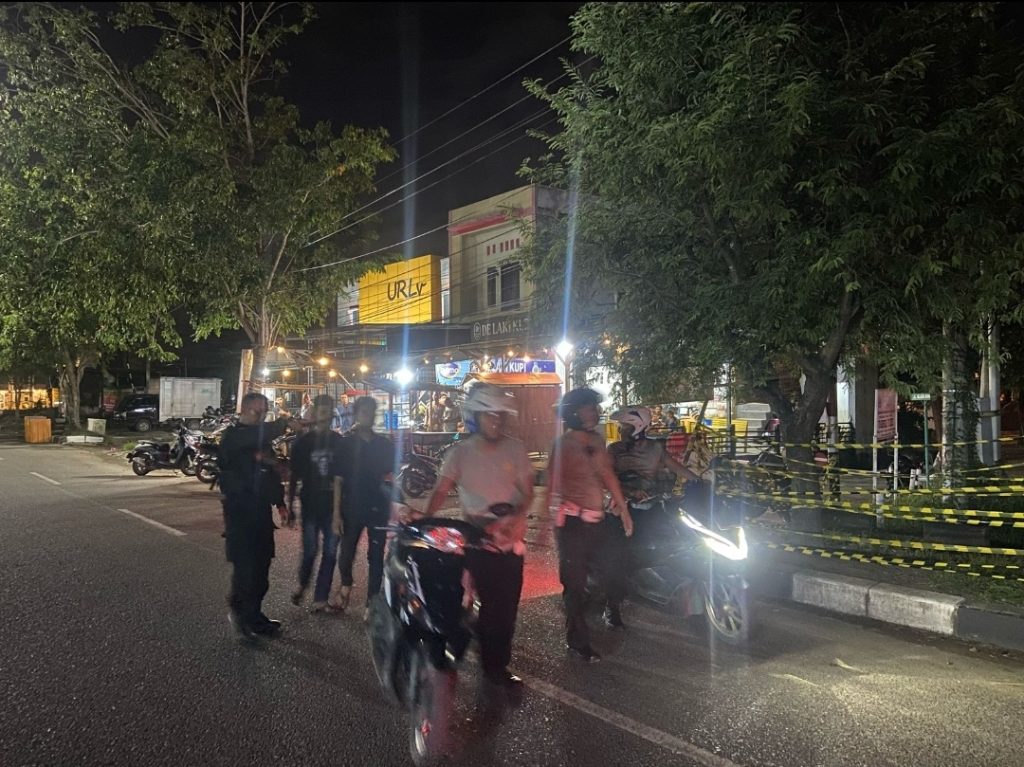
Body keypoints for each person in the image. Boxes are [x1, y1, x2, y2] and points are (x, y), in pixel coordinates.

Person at [415, 383, 533, 688]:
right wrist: (425, 521)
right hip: (477, 544)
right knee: (475, 607)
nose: (495, 421)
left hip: (511, 545)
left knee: (506, 612)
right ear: (475, 417)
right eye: (489, 415)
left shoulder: (516, 449)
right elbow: (441, 490)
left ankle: (497, 665)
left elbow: (528, 493)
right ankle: (480, 663)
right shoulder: (460, 453)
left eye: (499, 415)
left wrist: (514, 518)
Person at [546, 388, 632, 663]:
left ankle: (607, 611)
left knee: (613, 571)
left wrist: (623, 509)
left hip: (598, 521)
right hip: (572, 525)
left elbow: (607, 473)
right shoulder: (563, 445)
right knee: (575, 585)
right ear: (574, 412)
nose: (595, 412)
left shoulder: (597, 439)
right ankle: (578, 642)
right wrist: (550, 521)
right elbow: (552, 484)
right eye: (589, 407)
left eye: (595, 407)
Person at [218, 392, 301, 642]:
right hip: (240, 515)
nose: (261, 417)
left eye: (264, 412)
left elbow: (269, 474)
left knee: (262, 571)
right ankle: (241, 617)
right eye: (257, 412)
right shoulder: (233, 436)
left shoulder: (260, 439)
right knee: (246, 571)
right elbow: (252, 438)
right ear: (243, 410)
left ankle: (253, 615)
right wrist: (284, 423)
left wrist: (281, 504)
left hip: (261, 515)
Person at [334, 396, 395, 618]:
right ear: (356, 414)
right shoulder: (345, 444)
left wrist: (396, 503)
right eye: (364, 412)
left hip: (378, 507)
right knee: (346, 554)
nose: (368, 416)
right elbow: (338, 479)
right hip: (351, 507)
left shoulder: (384, 445)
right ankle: (346, 583)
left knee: (376, 556)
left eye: (372, 412)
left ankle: (371, 602)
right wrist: (336, 514)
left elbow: (389, 476)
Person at [288, 394, 344, 612]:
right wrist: (290, 506)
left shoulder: (339, 442)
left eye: (328, 411)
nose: (325, 415)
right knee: (310, 550)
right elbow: (294, 476)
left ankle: (321, 597)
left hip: (333, 506)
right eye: (321, 411)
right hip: (310, 503)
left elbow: (344, 476)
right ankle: (302, 585)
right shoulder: (303, 443)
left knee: (330, 552)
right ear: (314, 413)